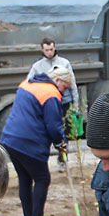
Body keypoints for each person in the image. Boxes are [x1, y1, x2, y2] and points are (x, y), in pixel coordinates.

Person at [0, 66, 70, 216]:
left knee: (25, 178)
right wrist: (61, 144)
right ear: (58, 80)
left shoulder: (27, 84)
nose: (64, 91)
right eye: (65, 87)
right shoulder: (51, 93)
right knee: (42, 178)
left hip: (10, 139)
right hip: (29, 142)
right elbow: (53, 125)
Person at [28, 36, 80, 170]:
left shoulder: (65, 63)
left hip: (65, 102)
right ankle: (43, 160)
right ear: (42, 49)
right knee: (48, 130)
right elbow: (30, 82)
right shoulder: (37, 66)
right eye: (46, 50)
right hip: (48, 103)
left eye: (51, 49)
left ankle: (63, 160)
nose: (49, 52)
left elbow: (73, 83)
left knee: (66, 132)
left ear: (55, 47)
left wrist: (76, 103)